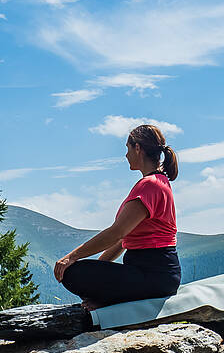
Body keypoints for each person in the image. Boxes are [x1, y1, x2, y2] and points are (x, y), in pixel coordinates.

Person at [54, 124, 181, 311]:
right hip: (159, 274)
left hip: (153, 275)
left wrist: (71, 257)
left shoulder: (149, 186)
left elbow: (116, 232)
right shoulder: (158, 182)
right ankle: (110, 299)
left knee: (72, 273)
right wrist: (99, 270)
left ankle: (111, 302)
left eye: (127, 148)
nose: (126, 155)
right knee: (84, 272)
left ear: (137, 148)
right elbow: (122, 239)